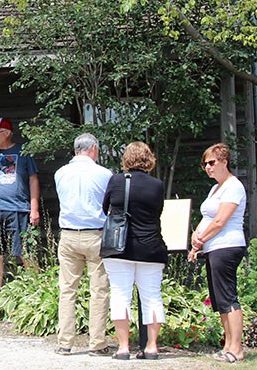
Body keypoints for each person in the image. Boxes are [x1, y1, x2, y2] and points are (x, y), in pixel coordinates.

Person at [101, 142, 168, 360]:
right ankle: (151, 347)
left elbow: (105, 208)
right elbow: (158, 211)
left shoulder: (116, 181)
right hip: (151, 247)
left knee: (120, 295)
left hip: (120, 248)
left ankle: (123, 347)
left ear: (126, 159)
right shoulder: (157, 185)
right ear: (149, 159)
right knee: (152, 297)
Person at [54, 133, 113, 356]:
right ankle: (97, 343)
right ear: (94, 149)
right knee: (98, 290)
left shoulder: (60, 173)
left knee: (67, 289)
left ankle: (64, 342)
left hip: (68, 234)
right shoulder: (104, 173)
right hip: (95, 234)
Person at [189, 143, 247, 363]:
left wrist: (201, 238)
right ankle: (227, 346)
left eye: (212, 162)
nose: (208, 167)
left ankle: (237, 349)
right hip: (213, 248)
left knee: (229, 297)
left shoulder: (233, 186)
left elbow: (221, 221)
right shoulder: (215, 189)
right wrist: (196, 244)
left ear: (224, 161)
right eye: (205, 164)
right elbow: (208, 218)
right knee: (220, 300)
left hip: (227, 246)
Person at [0, 117, 40, 305]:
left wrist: (34, 208)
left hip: (19, 209)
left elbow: (33, 180)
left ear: (7, 133)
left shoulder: (23, 152)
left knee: (25, 251)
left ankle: (36, 290)